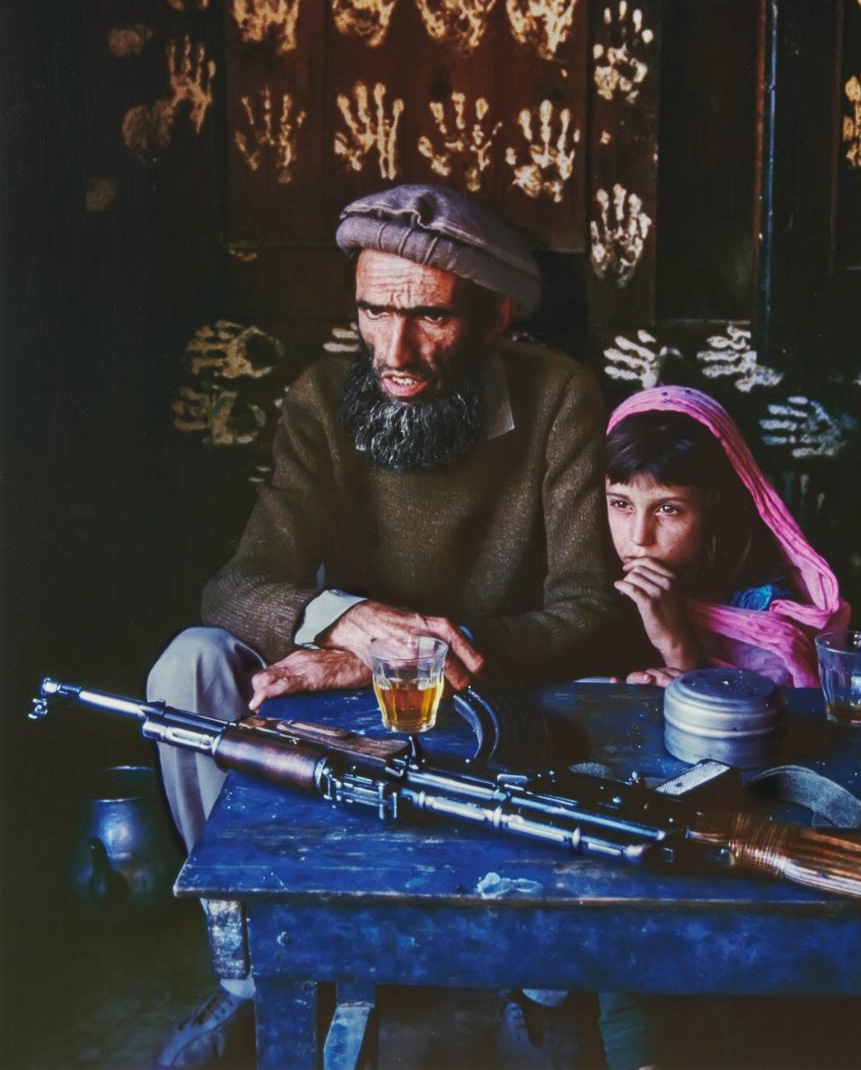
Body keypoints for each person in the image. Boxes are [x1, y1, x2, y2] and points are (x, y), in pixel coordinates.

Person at [146, 183, 624, 1069]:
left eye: (430, 319)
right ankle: (248, 969)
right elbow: (236, 586)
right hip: (336, 700)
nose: (393, 351)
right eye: (372, 310)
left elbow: (592, 612)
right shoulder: (325, 395)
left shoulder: (560, 398)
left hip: (493, 697)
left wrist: (419, 654)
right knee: (189, 665)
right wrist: (346, 622)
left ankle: (542, 978)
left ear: (494, 317)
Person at [597, 384, 848, 1070]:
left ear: (716, 512)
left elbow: (789, 747)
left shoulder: (765, 609)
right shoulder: (589, 584)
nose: (638, 536)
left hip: (749, 849)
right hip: (632, 847)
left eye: (669, 510)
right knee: (631, 934)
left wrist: (680, 654)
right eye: (621, 504)